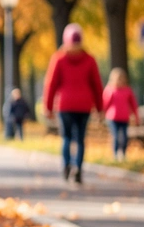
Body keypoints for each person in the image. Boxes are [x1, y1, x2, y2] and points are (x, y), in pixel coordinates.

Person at [42, 23, 103, 184]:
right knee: (80, 139)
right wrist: (100, 107)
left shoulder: (59, 58)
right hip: (84, 105)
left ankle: (66, 166)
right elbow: (97, 85)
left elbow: (51, 84)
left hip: (65, 104)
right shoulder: (89, 59)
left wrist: (48, 107)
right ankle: (78, 169)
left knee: (67, 138)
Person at [102, 68, 140, 160]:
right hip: (112, 118)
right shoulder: (110, 89)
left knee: (124, 136)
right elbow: (105, 103)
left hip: (124, 117)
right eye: (118, 79)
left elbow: (133, 105)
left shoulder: (127, 90)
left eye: (121, 79)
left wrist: (136, 117)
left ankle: (123, 153)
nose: (119, 81)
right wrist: (102, 113)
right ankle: (115, 154)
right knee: (115, 136)